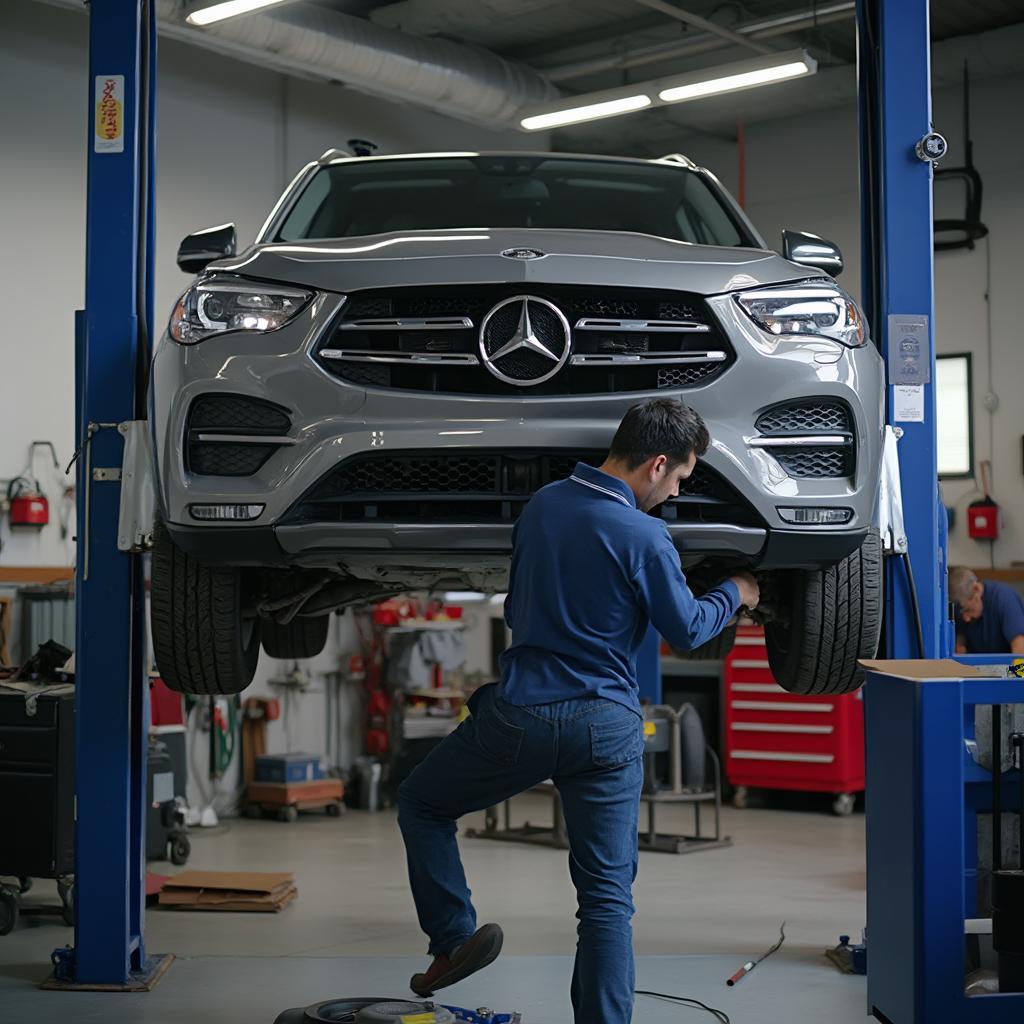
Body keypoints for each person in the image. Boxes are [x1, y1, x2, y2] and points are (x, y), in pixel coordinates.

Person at [396, 398, 759, 1024]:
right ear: (657, 463)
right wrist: (738, 591)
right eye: (677, 481)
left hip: (522, 717)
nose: (674, 494)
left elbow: (516, 607)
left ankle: (453, 940)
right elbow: (690, 628)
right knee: (606, 902)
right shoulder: (645, 535)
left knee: (423, 803)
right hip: (607, 729)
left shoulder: (542, 507)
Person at [950, 566, 1024, 655]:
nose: (966, 618)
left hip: (1009, 666)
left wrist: (1014, 669)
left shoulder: (1004, 600)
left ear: (976, 589)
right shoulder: (960, 607)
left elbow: (1020, 649)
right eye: (962, 612)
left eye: (968, 610)